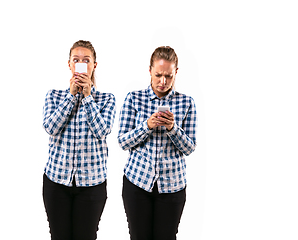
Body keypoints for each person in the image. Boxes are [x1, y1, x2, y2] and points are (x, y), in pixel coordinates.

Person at [118, 46, 197, 240]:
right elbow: (122, 141)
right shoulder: (134, 98)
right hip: (137, 184)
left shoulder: (187, 103)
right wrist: (147, 126)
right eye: (158, 75)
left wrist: (173, 129)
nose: (163, 82)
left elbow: (190, 147)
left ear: (176, 72)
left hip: (172, 187)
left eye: (169, 76)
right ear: (150, 71)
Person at [42, 40, 116, 240]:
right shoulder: (54, 96)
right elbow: (50, 127)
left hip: (92, 185)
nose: (81, 64)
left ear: (94, 65)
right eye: (76, 60)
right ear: (69, 64)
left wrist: (88, 96)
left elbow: (102, 130)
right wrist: (71, 96)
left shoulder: (107, 99)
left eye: (86, 60)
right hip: (56, 182)